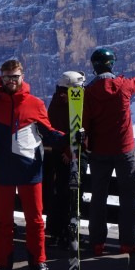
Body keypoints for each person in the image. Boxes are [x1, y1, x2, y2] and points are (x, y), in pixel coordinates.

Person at [0, 58, 68, 270]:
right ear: (1, 78)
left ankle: (38, 262)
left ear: (22, 77)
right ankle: (3, 266)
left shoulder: (35, 104)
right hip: (2, 171)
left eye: (15, 77)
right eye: (7, 77)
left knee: (35, 220)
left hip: (30, 169)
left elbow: (49, 133)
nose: (11, 81)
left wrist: (71, 139)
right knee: (3, 221)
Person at [82, 47, 135, 256]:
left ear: (94, 66)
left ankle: (97, 243)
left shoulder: (88, 93)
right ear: (112, 64)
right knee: (128, 197)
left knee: (98, 197)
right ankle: (128, 243)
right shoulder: (124, 85)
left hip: (99, 152)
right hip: (124, 151)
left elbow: (84, 123)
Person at [43, 71, 86, 247]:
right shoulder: (64, 103)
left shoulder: (56, 101)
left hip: (59, 153)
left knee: (60, 192)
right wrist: (69, 148)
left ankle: (56, 231)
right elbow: (71, 127)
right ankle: (67, 232)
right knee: (71, 194)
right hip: (68, 155)